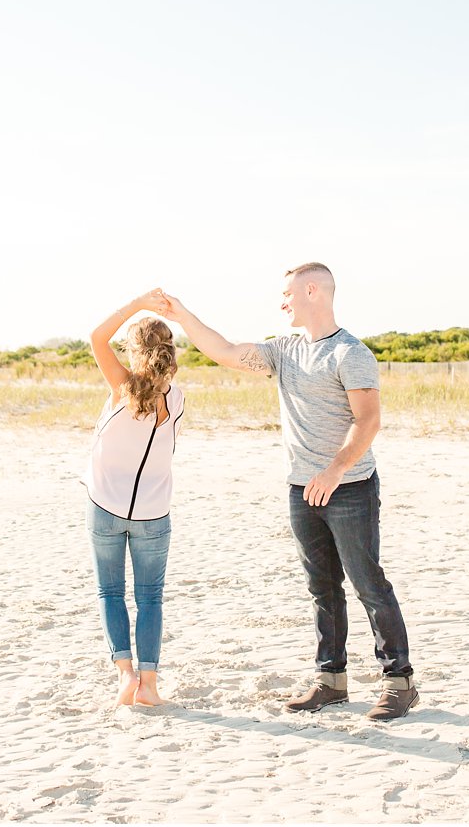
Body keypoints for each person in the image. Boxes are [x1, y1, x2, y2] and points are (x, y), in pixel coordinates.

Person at [159, 263, 417, 720]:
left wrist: (334, 471)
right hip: (301, 490)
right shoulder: (284, 351)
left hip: (349, 488)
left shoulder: (350, 353)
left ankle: (399, 682)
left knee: (367, 583)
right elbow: (225, 350)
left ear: (312, 290)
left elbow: (369, 421)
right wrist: (183, 316)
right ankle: (330, 680)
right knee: (322, 588)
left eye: (288, 293)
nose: (282, 303)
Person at [83, 289, 184, 707]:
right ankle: (150, 685)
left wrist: (137, 305)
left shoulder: (122, 387)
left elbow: (95, 338)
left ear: (134, 351)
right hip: (153, 514)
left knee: (111, 592)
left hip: (104, 506)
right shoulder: (176, 397)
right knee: (150, 598)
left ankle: (125, 675)